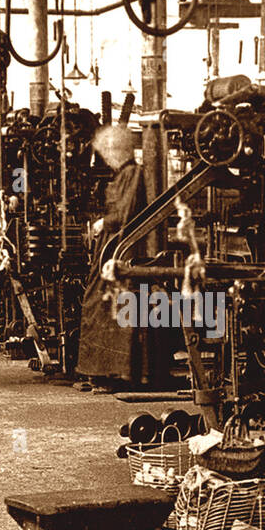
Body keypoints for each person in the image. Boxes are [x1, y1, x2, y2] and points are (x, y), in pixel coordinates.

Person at [75, 124, 160, 383]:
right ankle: (108, 370)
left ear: (116, 150)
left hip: (125, 247)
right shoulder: (124, 174)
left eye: (107, 152)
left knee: (109, 302)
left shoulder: (132, 173)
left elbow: (127, 213)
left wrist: (103, 222)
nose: (107, 158)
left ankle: (121, 371)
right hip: (114, 245)